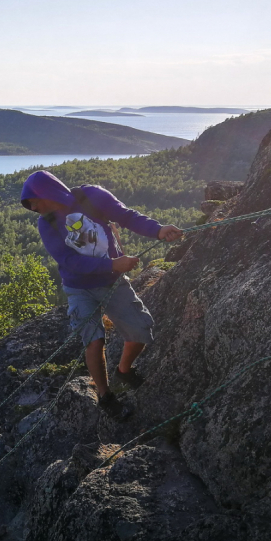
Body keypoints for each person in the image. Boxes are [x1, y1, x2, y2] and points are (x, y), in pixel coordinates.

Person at [21, 170, 182, 420]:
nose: (33, 207)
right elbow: (68, 261)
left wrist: (158, 230)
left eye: (34, 200)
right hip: (79, 287)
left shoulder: (91, 196)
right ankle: (106, 397)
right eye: (29, 203)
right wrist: (112, 265)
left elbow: (126, 216)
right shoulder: (46, 222)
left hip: (111, 283)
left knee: (140, 329)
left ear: (49, 193)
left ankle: (124, 371)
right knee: (94, 340)